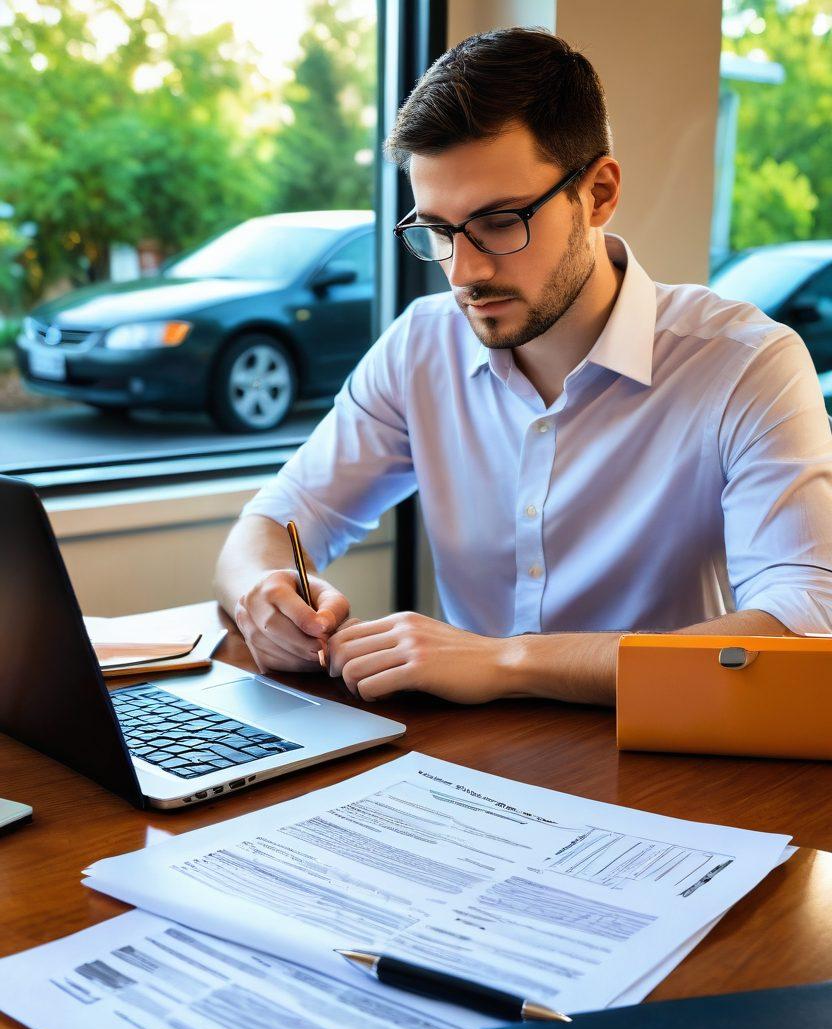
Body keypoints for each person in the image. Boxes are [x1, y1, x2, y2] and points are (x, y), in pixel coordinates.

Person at [215, 28, 832, 707]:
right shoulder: (421, 346)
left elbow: (800, 631)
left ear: (598, 194)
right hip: (476, 766)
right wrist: (263, 595)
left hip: (669, 762)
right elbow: (272, 523)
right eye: (439, 231)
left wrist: (508, 661)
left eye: (500, 221)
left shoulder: (747, 366)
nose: (465, 271)